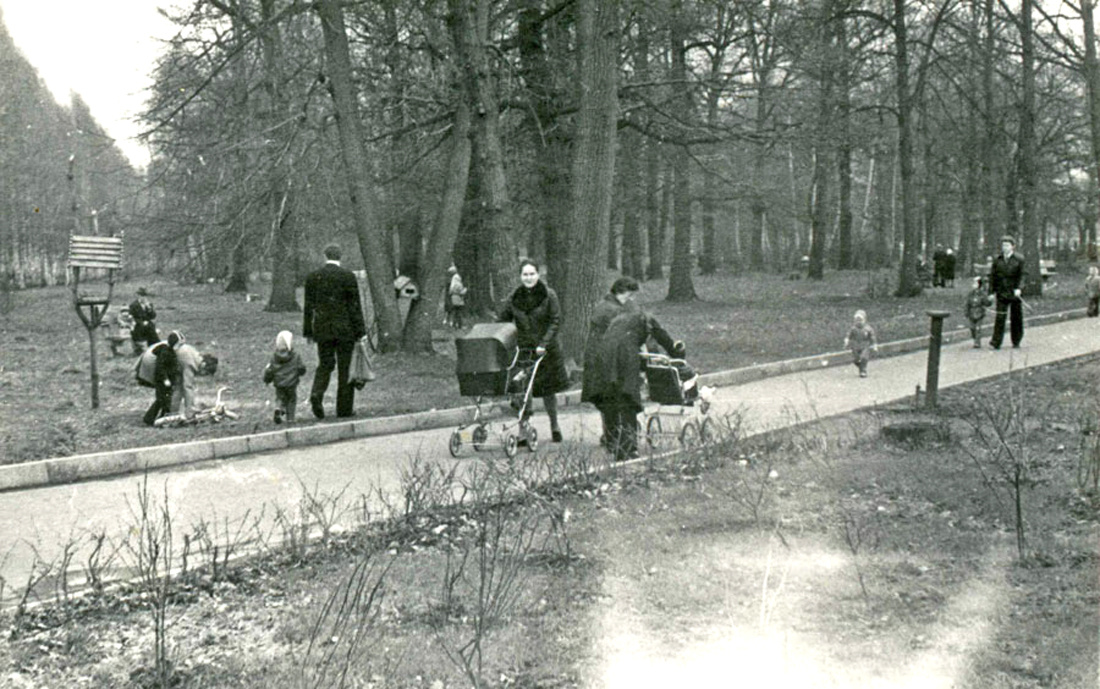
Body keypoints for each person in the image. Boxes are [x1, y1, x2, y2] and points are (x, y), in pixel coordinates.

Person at [591, 309, 680, 461]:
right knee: (627, 400)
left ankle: (612, 442)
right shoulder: (646, 320)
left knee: (611, 399)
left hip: (603, 357)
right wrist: (677, 354)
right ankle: (627, 448)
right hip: (624, 357)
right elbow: (663, 338)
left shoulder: (619, 321)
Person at [498, 259, 570, 443]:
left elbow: (555, 321)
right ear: (520, 276)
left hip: (546, 349)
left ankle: (554, 425)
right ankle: (523, 429)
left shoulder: (548, 295)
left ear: (538, 275)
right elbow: (503, 320)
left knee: (548, 390)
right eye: (525, 274)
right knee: (521, 389)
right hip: (524, 349)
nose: (528, 278)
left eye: (532, 274)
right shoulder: (514, 297)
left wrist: (544, 343)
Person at [303, 244, 367, 419]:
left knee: (325, 364)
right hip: (345, 330)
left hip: (322, 329)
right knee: (345, 369)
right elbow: (355, 306)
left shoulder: (313, 277)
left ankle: (317, 393)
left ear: (325, 256)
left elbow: (308, 308)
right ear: (341, 256)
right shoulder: (348, 277)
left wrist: (308, 331)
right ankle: (344, 409)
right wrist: (360, 331)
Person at [582, 276, 642, 446]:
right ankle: (614, 437)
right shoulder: (612, 311)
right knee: (614, 398)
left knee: (606, 398)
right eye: (629, 296)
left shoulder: (607, 306)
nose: (631, 300)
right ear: (620, 293)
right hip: (605, 361)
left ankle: (610, 435)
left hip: (599, 359)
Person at [988, 235, 1027, 349]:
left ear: (1013, 247)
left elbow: (1023, 275)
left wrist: (1019, 288)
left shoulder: (1019, 259)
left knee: (1016, 317)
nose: (1005, 247)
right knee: (1000, 317)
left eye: (1007, 245)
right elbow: (992, 277)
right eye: (1003, 245)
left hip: (1014, 292)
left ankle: (1016, 340)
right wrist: (991, 292)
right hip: (1001, 291)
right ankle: (996, 341)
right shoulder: (997, 259)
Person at [263, 330, 307, 424]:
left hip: (279, 383)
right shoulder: (295, 356)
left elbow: (270, 370)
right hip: (291, 383)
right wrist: (301, 372)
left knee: (280, 398)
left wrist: (267, 379)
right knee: (291, 399)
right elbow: (301, 367)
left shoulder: (274, 357)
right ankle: (290, 418)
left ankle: (279, 408)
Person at [142, 334, 180, 426]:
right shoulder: (166, 352)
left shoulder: (167, 351)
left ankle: (159, 418)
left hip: (166, 380)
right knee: (162, 400)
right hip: (163, 381)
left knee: (163, 400)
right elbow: (160, 367)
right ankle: (154, 418)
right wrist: (165, 379)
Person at [169, 330, 202, 420]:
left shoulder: (185, 350)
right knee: (186, 387)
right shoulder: (188, 356)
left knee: (178, 388)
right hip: (183, 363)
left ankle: (173, 411)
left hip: (178, 366)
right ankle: (190, 410)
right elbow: (188, 386)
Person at [843, 310, 878, 378]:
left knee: (863, 357)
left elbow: (872, 337)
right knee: (856, 359)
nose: (858, 322)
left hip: (864, 345)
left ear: (864, 320)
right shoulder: (853, 329)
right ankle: (860, 366)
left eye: (860, 320)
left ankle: (863, 370)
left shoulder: (868, 329)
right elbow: (848, 335)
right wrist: (846, 341)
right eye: (857, 320)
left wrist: (874, 345)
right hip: (855, 345)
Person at [965, 276, 993, 348]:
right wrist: (966, 312)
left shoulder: (982, 294)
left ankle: (977, 342)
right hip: (971, 313)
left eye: (975, 283)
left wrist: (990, 300)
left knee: (978, 328)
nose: (973, 285)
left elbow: (986, 303)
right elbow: (967, 303)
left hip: (979, 313)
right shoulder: (970, 294)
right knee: (972, 328)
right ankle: (974, 337)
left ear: (979, 285)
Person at [129, 288, 159, 354]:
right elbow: (132, 317)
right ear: (138, 296)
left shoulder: (149, 305)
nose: (144, 298)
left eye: (145, 296)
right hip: (137, 325)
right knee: (147, 327)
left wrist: (149, 308)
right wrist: (141, 322)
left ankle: (154, 346)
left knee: (150, 326)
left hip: (147, 324)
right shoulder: (133, 305)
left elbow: (153, 316)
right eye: (142, 296)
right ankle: (152, 346)